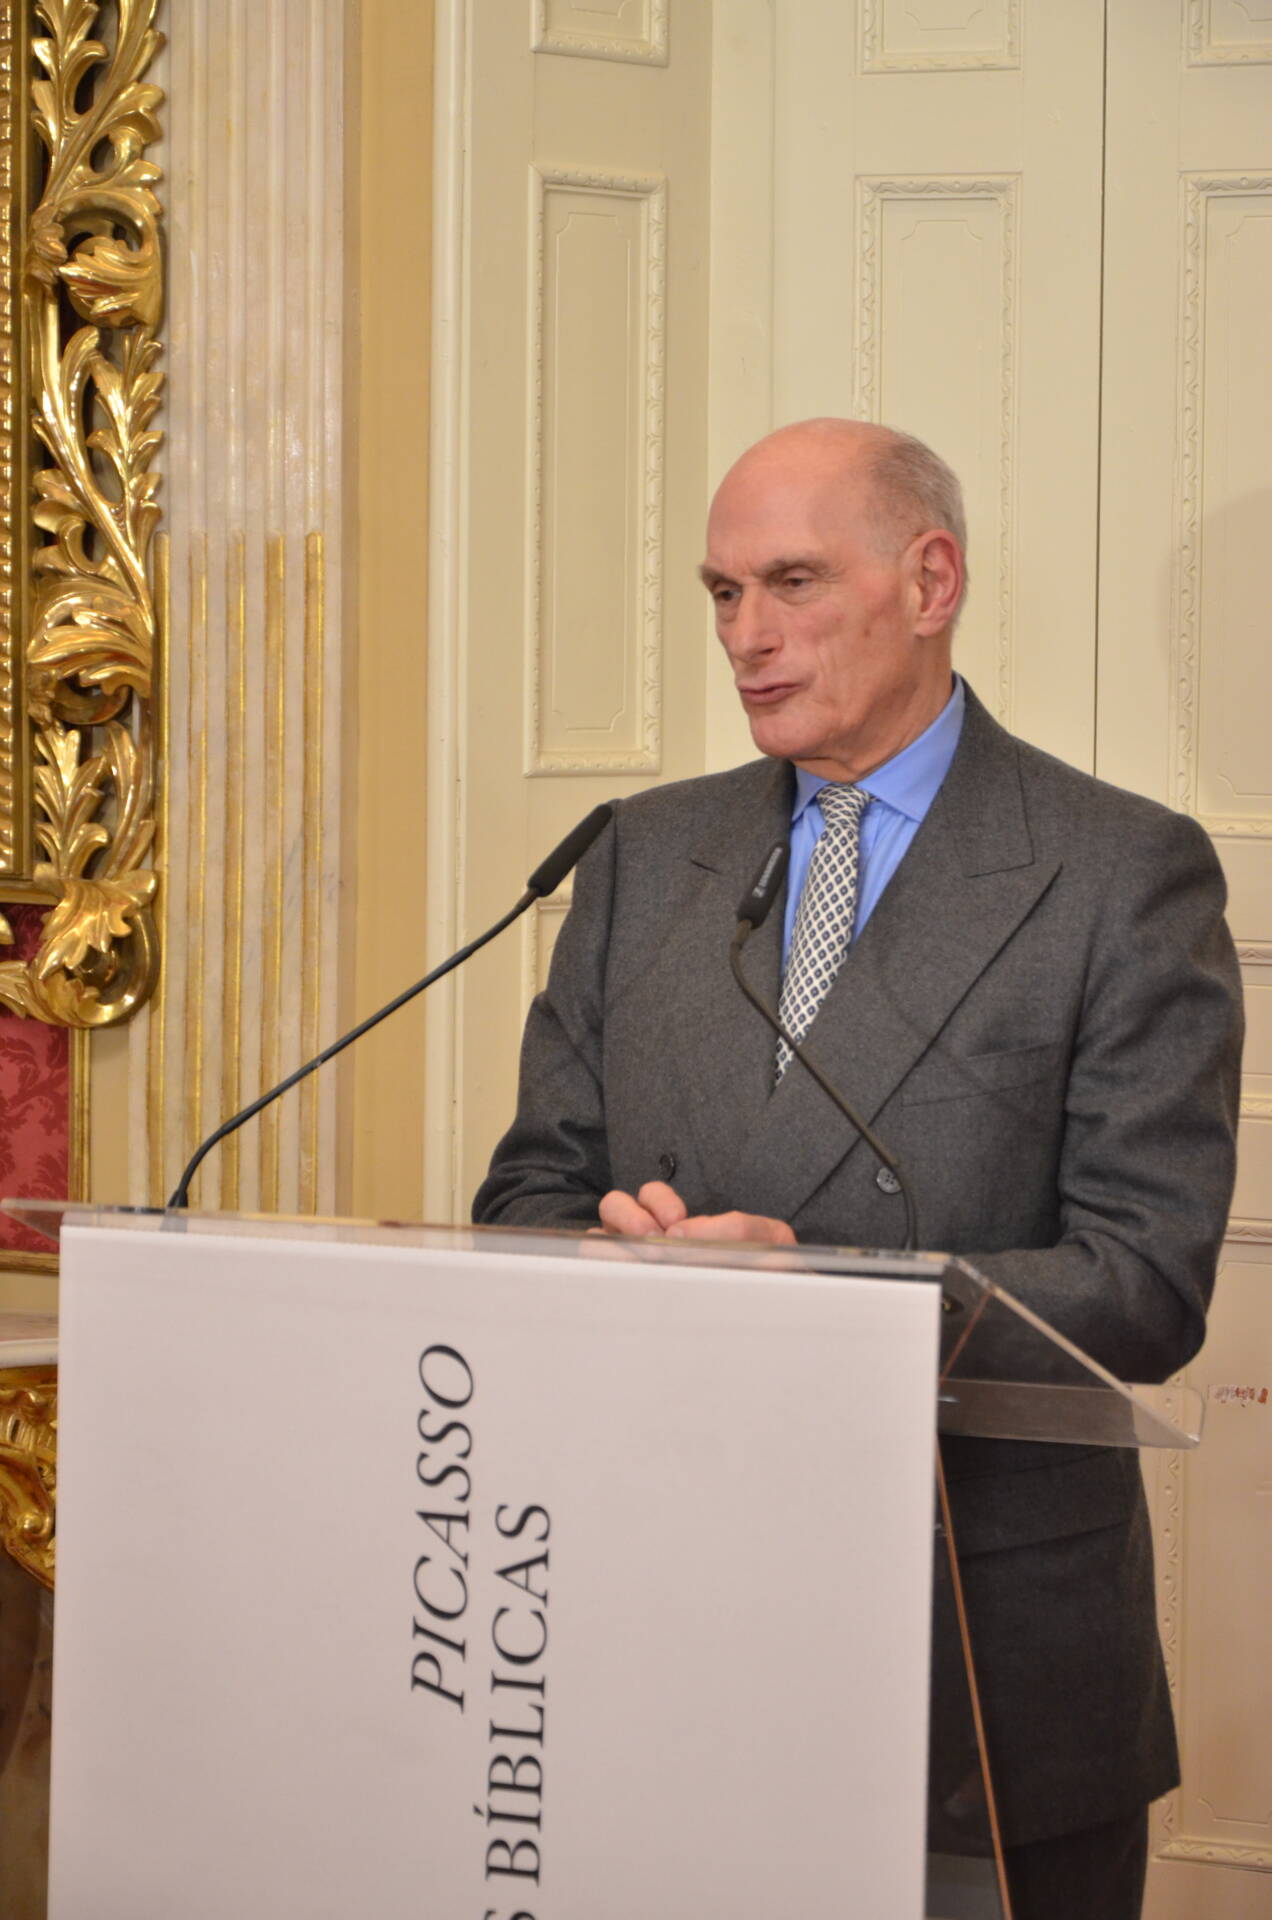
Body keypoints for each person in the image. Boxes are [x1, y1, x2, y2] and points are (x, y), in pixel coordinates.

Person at [473, 419, 1243, 1919]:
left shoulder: (1117, 871)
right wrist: (608, 1257)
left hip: (977, 1659)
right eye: (722, 593)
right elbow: (527, 1197)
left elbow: (1145, 1282)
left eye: (792, 583)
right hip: (662, 1621)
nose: (744, 637)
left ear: (929, 581)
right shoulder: (642, 854)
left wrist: (824, 1294)